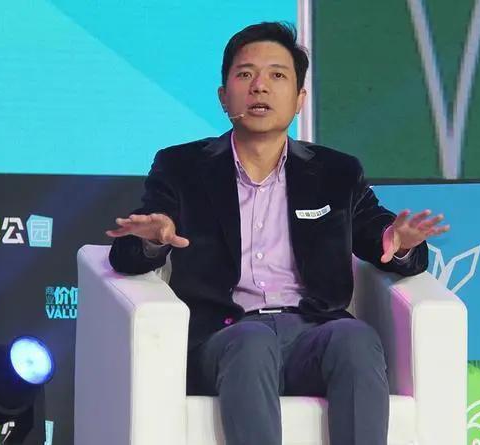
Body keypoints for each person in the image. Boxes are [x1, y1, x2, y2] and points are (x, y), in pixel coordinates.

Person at [106, 21, 449, 445]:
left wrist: (399, 244)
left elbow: (379, 233)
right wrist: (153, 238)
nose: (260, 87)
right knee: (252, 343)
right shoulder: (183, 167)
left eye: (277, 75)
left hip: (314, 332)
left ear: (300, 98)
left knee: (355, 339)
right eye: (245, 74)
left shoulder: (335, 172)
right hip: (226, 336)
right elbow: (125, 255)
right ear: (223, 96)